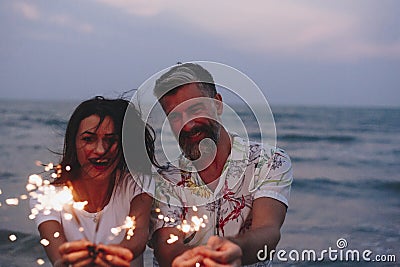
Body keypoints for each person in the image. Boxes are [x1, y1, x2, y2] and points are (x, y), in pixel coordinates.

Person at [149, 63, 293, 266]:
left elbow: (268, 231)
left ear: (217, 104)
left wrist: (236, 250)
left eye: (195, 109)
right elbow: (166, 245)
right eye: (175, 116)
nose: (188, 124)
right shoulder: (164, 180)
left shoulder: (268, 161)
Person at [30, 96, 156, 267]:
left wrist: (109, 257)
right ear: (73, 143)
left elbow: (138, 237)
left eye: (111, 140)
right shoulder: (47, 196)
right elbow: (58, 254)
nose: (100, 150)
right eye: (88, 139)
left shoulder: (137, 185)